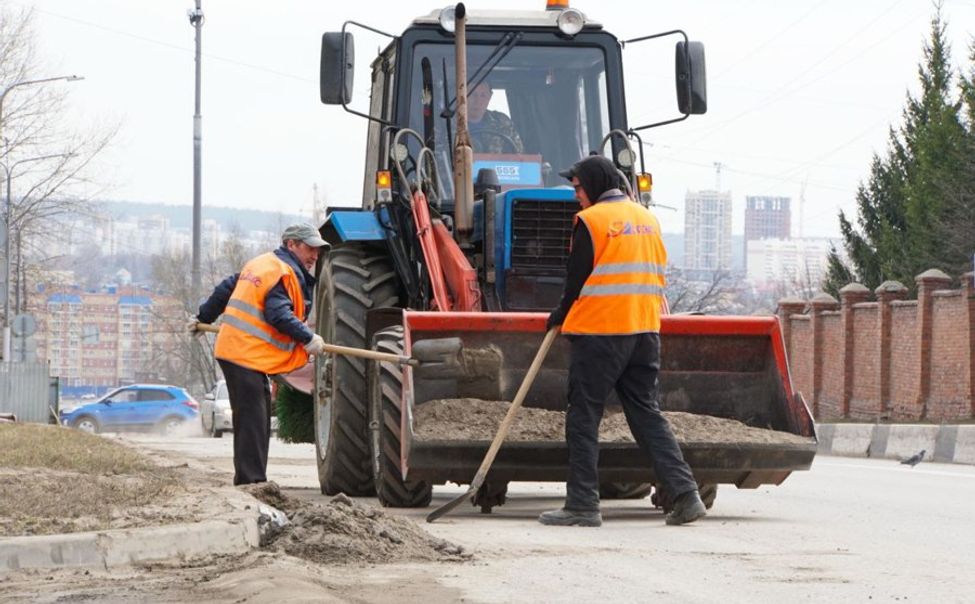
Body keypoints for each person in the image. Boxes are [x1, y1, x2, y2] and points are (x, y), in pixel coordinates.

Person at [539, 155, 706, 527]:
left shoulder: (592, 221)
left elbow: (576, 280)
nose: (576, 196)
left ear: (595, 185)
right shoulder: (648, 219)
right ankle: (686, 494)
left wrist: (560, 314)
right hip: (644, 333)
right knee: (647, 415)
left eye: (578, 188)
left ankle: (582, 504)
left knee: (583, 416)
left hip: (600, 335)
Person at [189, 223, 328, 485]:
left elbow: (225, 288)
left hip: (244, 354)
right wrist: (308, 337)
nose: (315, 256)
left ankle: (254, 480)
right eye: (310, 248)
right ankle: (250, 482)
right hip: (243, 354)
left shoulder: (262, 264)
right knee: (252, 421)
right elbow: (278, 314)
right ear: (292, 245)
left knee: (259, 418)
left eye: (318, 251)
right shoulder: (283, 273)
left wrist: (203, 317)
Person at [467, 81, 524, 154]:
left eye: (483, 95)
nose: (478, 101)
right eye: (473, 94)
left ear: (490, 97)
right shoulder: (449, 123)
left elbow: (520, 156)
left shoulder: (502, 123)